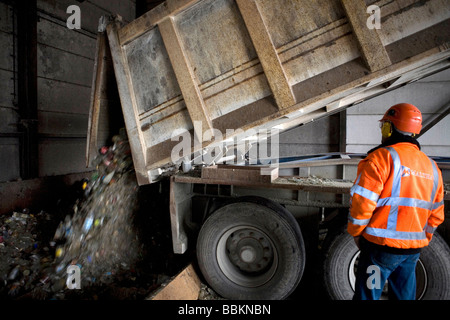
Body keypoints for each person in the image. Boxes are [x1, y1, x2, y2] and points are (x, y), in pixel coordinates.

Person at [347, 103, 445, 300]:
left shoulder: (381, 159)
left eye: (384, 126)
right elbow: (436, 215)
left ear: (389, 128)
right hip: (411, 253)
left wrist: (356, 233)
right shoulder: (432, 167)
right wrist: (422, 239)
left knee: (369, 295)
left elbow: (362, 204)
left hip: (379, 251)